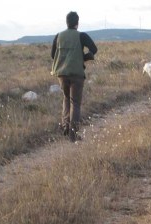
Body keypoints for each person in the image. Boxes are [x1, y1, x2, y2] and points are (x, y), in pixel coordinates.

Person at [51, 11, 97, 142]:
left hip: (61, 74)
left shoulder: (58, 36)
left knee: (66, 99)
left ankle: (65, 127)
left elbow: (53, 55)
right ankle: (73, 135)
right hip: (77, 74)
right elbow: (94, 49)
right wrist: (84, 57)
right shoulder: (81, 36)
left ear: (67, 22)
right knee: (75, 103)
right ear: (77, 23)